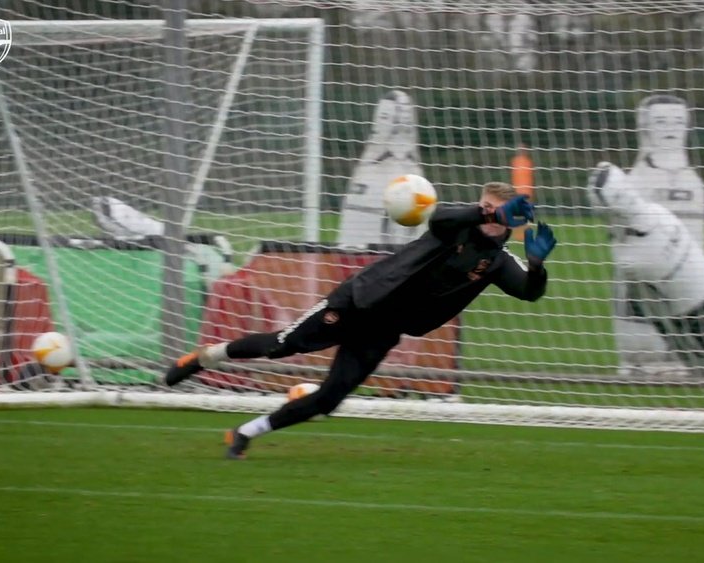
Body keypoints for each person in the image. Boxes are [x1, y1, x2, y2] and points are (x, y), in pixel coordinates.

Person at [163, 181, 558, 459]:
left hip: (384, 329)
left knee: (330, 398)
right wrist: (485, 210)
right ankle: (205, 358)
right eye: (487, 208)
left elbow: (529, 291)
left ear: (512, 222)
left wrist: (537, 265)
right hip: (358, 299)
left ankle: (244, 433)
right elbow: (438, 218)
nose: (491, 217)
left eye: (498, 213)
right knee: (282, 345)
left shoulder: (498, 262)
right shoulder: (455, 228)